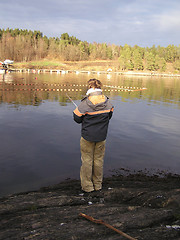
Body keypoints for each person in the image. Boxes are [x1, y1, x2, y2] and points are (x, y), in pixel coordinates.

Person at [73, 79, 114, 193]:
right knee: (98, 160)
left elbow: (77, 119)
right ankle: (98, 185)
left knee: (87, 161)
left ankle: (87, 187)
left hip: (87, 137)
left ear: (89, 88)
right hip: (101, 137)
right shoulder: (108, 103)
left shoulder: (84, 104)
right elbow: (109, 116)